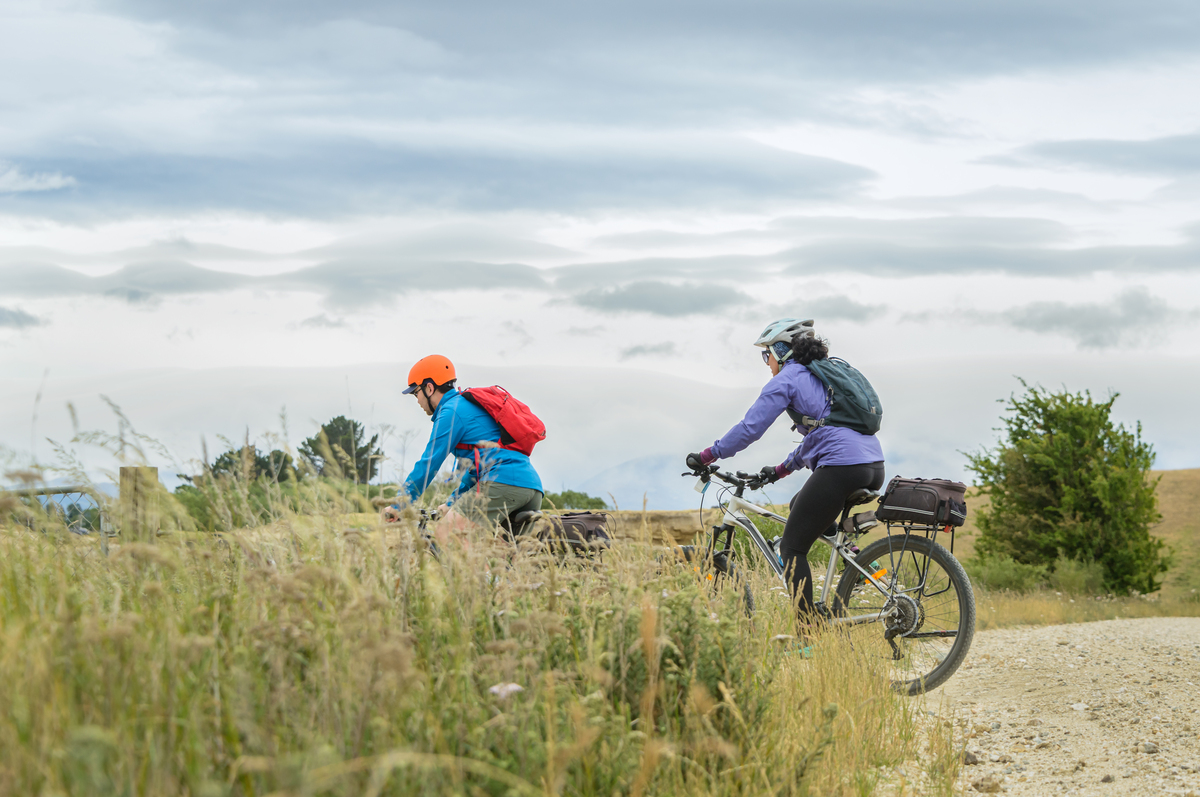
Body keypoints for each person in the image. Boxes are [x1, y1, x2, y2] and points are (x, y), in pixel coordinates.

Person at [687, 318, 884, 626]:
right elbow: (822, 433)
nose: (766, 362)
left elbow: (750, 428)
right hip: (872, 465)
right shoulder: (823, 375)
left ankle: (808, 632)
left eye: (766, 354)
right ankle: (857, 562)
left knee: (792, 549)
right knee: (799, 506)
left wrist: (708, 455)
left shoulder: (788, 378)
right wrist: (779, 471)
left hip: (841, 466)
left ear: (781, 351)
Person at [385, 355, 544, 534]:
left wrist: (400, 505)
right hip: (530, 486)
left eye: (416, 393)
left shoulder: (450, 412)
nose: (417, 400)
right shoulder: (465, 406)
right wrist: (451, 503)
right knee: (499, 549)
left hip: (503, 482)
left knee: (446, 533)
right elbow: (477, 469)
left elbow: (428, 464)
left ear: (429, 388)